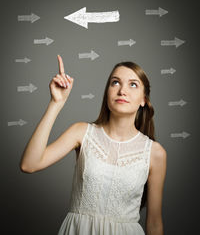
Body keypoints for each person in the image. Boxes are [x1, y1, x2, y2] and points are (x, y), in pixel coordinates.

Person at [20, 55, 167, 235]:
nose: (122, 91)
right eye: (115, 83)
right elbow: (29, 164)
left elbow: (154, 223)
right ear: (107, 92)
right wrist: (56, 103)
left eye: (133, 84)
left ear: (144, 99)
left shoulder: (155, 153)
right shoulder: (81, 132)